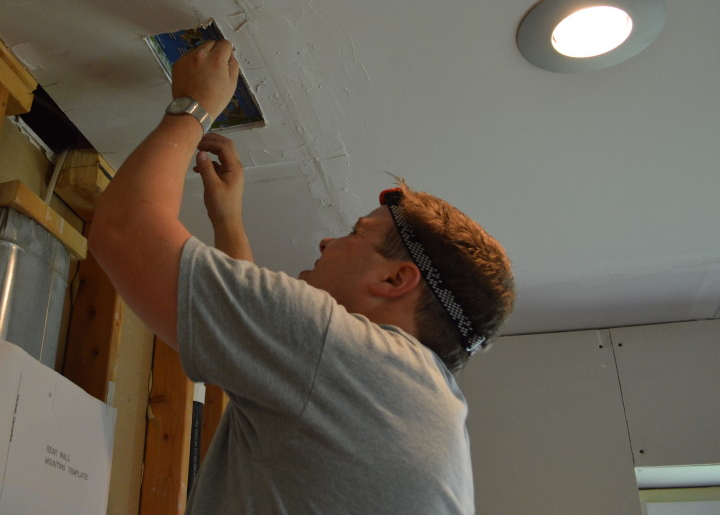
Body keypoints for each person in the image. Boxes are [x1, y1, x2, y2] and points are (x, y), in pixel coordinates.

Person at [88, 38, 515, 513]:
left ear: (396, 281)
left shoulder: (355, 360)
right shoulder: (416, 401)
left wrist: (192, 108)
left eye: (355, 233)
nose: (327, 243)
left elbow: (125, 232)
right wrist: (228, 224)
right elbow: (263, 351)